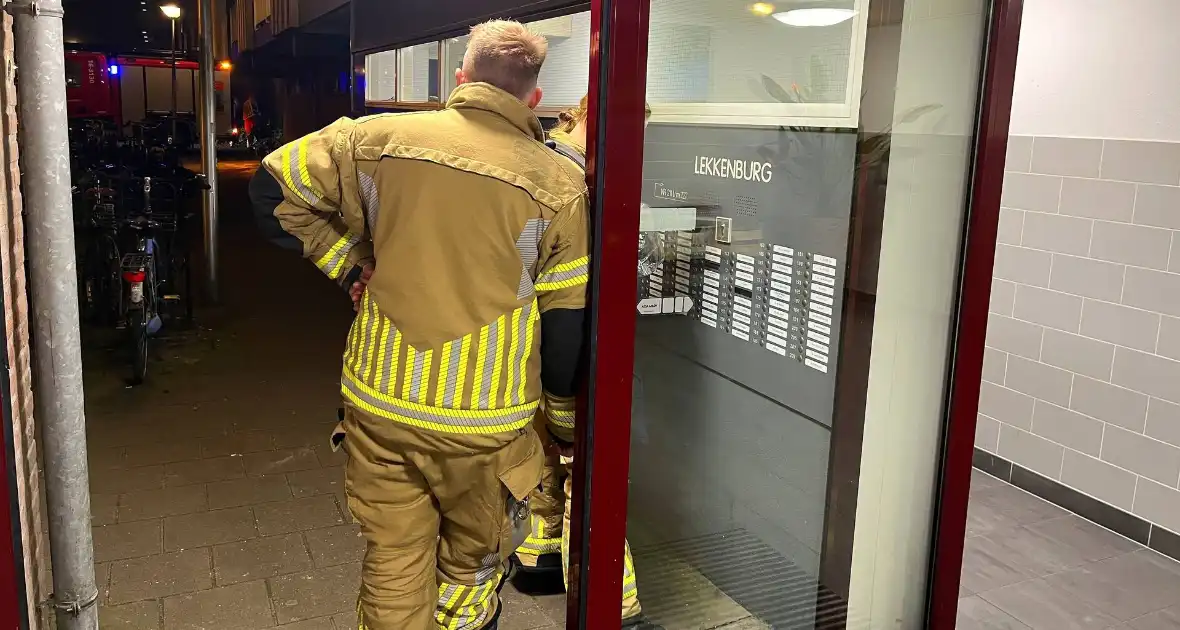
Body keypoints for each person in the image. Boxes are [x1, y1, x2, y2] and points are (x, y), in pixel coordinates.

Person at [248, 20, 591, 630]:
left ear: (461, 78)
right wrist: (563, 431)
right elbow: (565, 330)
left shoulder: (372, 139)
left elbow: (272, 193)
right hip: (487, 425)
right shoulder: (560, 185)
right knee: (473, 566)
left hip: (379, 405)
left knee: (393, 562)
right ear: (533, 98)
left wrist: (350, 267)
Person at [511, 95, 657, 630]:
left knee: (550, 457)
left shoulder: (544, 161)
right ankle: (616, 608)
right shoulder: (582, 182)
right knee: (589, 472)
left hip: (537, 347)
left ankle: (540, 558)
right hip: (572, 353)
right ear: (597, 119)